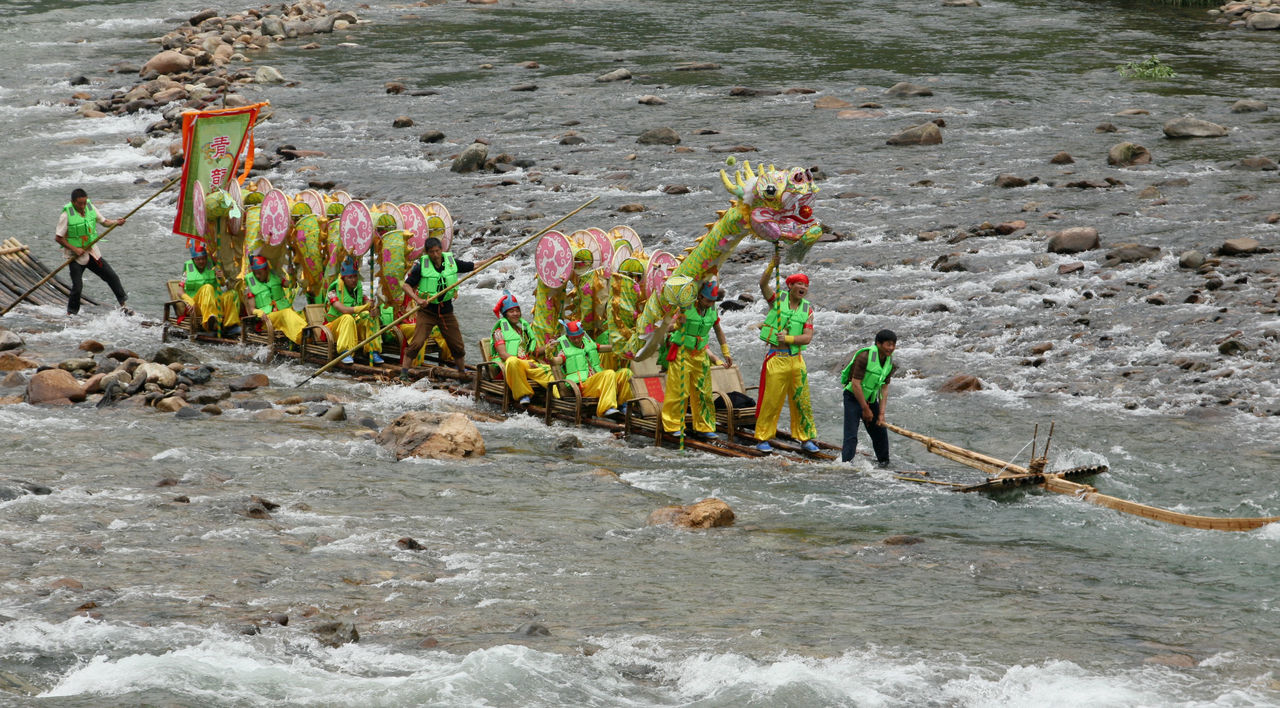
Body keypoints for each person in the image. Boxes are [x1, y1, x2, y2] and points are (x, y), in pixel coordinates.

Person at [754, 252, 818, 453]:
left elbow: (807, 337)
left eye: (806, 285)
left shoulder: (807, 310)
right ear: (790, 286)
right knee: (771, 400)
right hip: (776, 359)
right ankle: (763, 437)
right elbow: (763, 285)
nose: (804, 288)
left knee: (802, 400)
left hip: (796, 360)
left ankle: (806, 437)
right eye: (800, 284)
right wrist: (772, 265)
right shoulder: (777, 301)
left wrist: (789, 338)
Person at [661, 281, 732, 440]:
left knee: (703, 392)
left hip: (700, 354)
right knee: (679, 391)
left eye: (713, 301)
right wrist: (679, 323)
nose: (710, 304)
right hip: (682, 353)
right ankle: (673, 425)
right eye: (708, 300)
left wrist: (725, 351)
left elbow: (719, 331)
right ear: (699, 297)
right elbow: (668, 328)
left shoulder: (712, 310)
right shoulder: (686, 308)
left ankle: (704, 426)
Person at [400, 236, 474, 379]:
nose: (435, 255)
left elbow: (473, 266)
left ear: (442, 250)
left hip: (446, 311)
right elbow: (406, 285)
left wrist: (495, 258)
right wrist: (418, 299)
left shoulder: (451, 262)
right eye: (432, 252)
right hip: (427, 312)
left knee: (457, 344)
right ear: (427, 253)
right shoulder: (421, 267)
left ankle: (462, 372)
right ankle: (404, 372)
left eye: (437, 251)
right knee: (417, 343)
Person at [54, 187, 133, 316]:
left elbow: (105, 222)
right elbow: (58, 238)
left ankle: (124, 306)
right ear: (73, 202)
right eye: (80, 204)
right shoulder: (66, 215)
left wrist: (116, 223)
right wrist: (75, 249)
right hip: (76, 256)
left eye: (84, 203)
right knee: (77, 287)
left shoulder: (90, 208)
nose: (83, 206)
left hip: (91, 252)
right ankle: (71, 314)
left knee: (111, 276)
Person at [551, 319, 633, 418]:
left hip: (598, 382)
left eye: (578, 337)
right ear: (568, 337)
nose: (576, 340)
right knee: (609, 373)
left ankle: (624, 405)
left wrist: (624, 347)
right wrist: (549, 351)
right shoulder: (565, 350)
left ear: (582, 335)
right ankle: (607, 408)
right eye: (573, 338)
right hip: (583, 386)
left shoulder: (588, 343)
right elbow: (555, 361)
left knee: (626, 372)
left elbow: (604, 348)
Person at [841, 329, 897, 465]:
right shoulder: (864, 357)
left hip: (870, 400)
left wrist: (881, 414)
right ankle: (846, 465)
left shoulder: (889, 362)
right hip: (853, 398)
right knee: (851, 435)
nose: (891, 348)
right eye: (888, 344)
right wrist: (865, 409)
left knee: (880, 433)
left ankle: (884, 464)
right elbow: (855, 384)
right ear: (878, 343)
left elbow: (884, 389)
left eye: (893, 345)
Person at [490, 291, 553, 406]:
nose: (515, 314)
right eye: (511, 311)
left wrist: (550, 345)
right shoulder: (498, 332)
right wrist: (523, 363)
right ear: (505, 314)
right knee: (512, 361)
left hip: (528, 364)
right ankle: (523, 394)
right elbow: (503, 355)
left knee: (552, 370)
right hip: (509, 368)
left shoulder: (522, 331)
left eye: (517, 310)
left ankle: (558, 396)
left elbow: (534, 352)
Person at [326, 257, 384, 366]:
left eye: (355, 276)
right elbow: (343, 309)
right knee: (347, 317)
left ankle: (373, 350)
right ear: (343, 278)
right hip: (333, 328)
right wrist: (363, 307)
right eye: (350, 277)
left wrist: (374, 309)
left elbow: (368, 302)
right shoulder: (332, 292)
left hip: (353, 325)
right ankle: (345, 352)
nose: (354, 280)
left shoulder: (358, 290)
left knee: (368, 315)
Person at [180, 241, 240, 336]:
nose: (201, 262)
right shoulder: (187, 269)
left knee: (231, 293)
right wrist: (189, 301)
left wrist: (221, 278)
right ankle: (210, 321)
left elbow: (223, 285)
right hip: (197, 305)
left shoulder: (212, 265)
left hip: (214, 302)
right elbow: (180, 291)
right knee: (207, 287)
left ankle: (230, 325)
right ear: (193, 259)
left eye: (203, 259)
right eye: (198, 259)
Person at [244, 254, 306, 345]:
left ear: (266, 270)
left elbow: (292, 285)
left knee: (300, 313)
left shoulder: (275, 276)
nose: (257, 276)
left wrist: (292, 275)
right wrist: (258, 312)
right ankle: (303, 336)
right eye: (255, 273)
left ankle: (307, 331)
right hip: (267, 319)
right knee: (286, 314)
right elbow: (251, 309)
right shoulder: (251, 285)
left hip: (282, 313)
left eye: (259, 273)